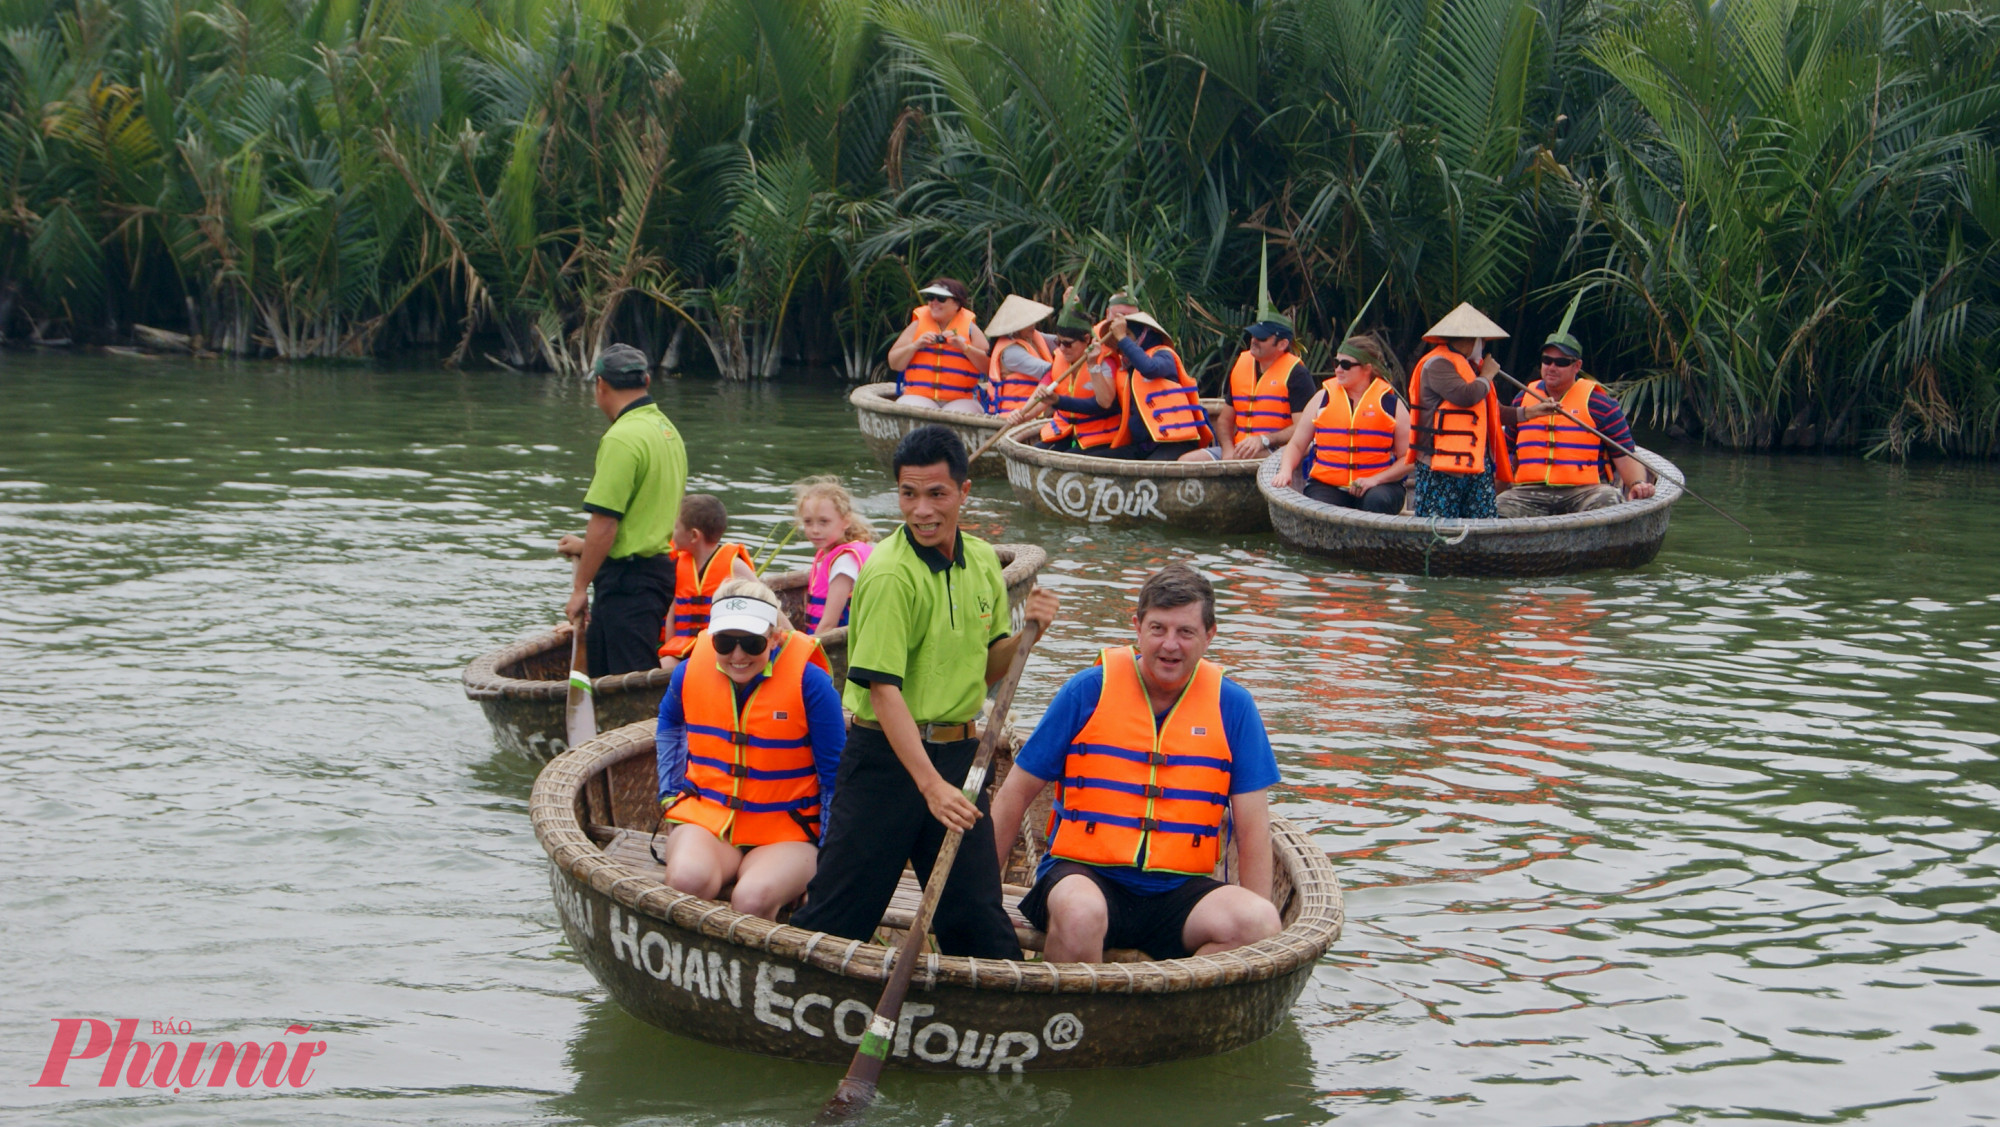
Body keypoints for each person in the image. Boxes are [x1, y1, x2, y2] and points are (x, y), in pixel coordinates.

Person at [790, 425, 1059, 959]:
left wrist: (1031, 631)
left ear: (964, 492)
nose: (921, 510)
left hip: (960, 759)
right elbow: (883, 691)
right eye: (908, 494)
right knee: (838, 919)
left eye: (936, 493)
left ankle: (990, 1017)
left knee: (978, 921)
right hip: (886, 763)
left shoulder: (983, 561)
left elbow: (983, 670)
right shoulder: (890, 574)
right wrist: (930, 787)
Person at [989, 564, 1283, 962]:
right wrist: (983, 898)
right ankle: (1064, 1017)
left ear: (1209, 636)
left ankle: (1175, 1008)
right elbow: (1014, 795)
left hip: (1180, 892)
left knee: (1260, 923)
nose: (1170, 645)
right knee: (1080, 915)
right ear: (1138, 627)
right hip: (1084, 877)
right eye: (1158, 629)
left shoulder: (1234, 706)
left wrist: (1260, 950)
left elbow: (1252, 829)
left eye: (1186, 632)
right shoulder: (1087, 691)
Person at [653, 579, 845, 920]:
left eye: (752, 643)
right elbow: (669, 728)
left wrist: (828, 853)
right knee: (686, 881)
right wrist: (670, 795)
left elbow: (834, 774)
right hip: (710, 820)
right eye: (725, 642)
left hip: (788, 830)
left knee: (752, 899)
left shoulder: (810, 683)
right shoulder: (687, 673)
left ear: (774, 637)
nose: (737, 655)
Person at [557, 344, 688, 676]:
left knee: (627, 677)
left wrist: (578, 589)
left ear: (601, 385)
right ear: (645, 379)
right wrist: (585, 548)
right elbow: (645, 519)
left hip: (628, 581)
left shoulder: (622, 438)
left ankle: (640, 729)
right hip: (656, 572)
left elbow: (605, 523)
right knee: (610, 670)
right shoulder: (667, 430)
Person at [1495, 329, 1656, 516]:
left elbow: (1625, 454)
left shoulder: (1601, 405)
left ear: (1577, 366)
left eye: (1561, 362)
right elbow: (1505, 454)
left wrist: (1637, 484)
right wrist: (1493, 494)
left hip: (1584, 492)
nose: (1552, 367)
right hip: (1529, 493)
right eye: (1547, 360)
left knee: (1608, 498)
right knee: (1498, 507)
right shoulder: (1523, 399)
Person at [1276, 332, 1413, 513]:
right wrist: (1285, 471)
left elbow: (1409, 459)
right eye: (1337, 363)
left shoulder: (1391, 405)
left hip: (1379, 485)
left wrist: (1376, 479)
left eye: (1346, 365)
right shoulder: (1322, 398)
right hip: (1328, 485)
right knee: (1321, 508)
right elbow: (1296, 445)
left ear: (1367, 368)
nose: (1338, 370)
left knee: (1377, 501)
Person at [1407, 303, 1514, 519]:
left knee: (1482, 524)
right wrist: (1487, 375)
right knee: (1438, 529)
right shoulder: (1437, 364)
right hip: (1439, 464)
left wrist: (1532, 413)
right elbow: (1465, 396)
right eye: (1482, 341)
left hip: (1475, 463)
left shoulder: (1471, 367)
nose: (1483, 346)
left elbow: (1493, 412)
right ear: (1471, 340)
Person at [1181, 315, 1315, 463]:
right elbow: (1224, 420)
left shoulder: (1297, 374)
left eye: (1262, 338)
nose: (1254, 341)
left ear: (1282, 344)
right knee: (1186, 460)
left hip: (1278, 450)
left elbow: (1303, 429)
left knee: (1241, 456)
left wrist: (1264, 440)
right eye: (1254, 335)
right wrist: (1227, 449)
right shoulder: (1242, 365)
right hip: (1239, 449)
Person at [1092, 308, 1213, 462]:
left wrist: (1122, 337)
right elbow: (1103, 405)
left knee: (1149, 470)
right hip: (1144, 446)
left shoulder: (1164, 354)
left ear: (1143, 335)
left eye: (1127, 335)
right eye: (1120, 338)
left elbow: (1149, 368)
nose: (1121, 343)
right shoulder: (1128, 370)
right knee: (1099, 460)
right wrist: (1092, 365)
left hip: (1174, 442)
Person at [657, 494, 757, 672]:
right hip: (684, 650)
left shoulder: (735, 566)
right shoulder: (680, 564)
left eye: (675, 527)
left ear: (694, 535)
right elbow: (673, 611)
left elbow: (767, 602)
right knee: (665, 666)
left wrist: (790, 636)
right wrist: (669, 651)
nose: (671, 533)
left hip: (721, 650)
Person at [1022, 294, 1120, 452]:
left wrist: (1093, 365)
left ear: (1086, 339)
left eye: (1067, 344)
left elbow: (1106, 402)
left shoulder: (1105, 361)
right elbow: (1043, 392)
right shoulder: (1060, 358)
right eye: (1058, 342)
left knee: (1068, 456)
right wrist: (1022, 414)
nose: (1061, 348)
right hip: (1066, 429)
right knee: (1037, 451)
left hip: (1098, 434)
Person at [886, 279, 991, 414]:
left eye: (941, 298)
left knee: (960, 413)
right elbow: (894, 364)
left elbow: (989, 367)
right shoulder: (917, 325)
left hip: (960, 398)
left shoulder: (971, 329)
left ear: (956, 303)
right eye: (930, 298)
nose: (934, 303)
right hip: (918, 395)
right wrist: (915, 346)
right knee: (913, 410)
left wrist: (965, 348)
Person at [793, 476, 874, 635]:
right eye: (808, 522)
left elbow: (829, 624)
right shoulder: (828, 553)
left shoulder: (844, 562)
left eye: (824, 522)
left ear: (846, 521)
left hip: (830, 641)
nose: (815, 530)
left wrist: (806, 653)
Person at [980, 294, 1057, 416]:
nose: (1033, 324)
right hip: (1016, 415)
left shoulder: (1032, 336)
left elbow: (1063, 341)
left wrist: (1071, 312)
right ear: (1014, 328)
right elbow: (1047, 370)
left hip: (1041, 412)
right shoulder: (1011, 353)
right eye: (1027, 322)